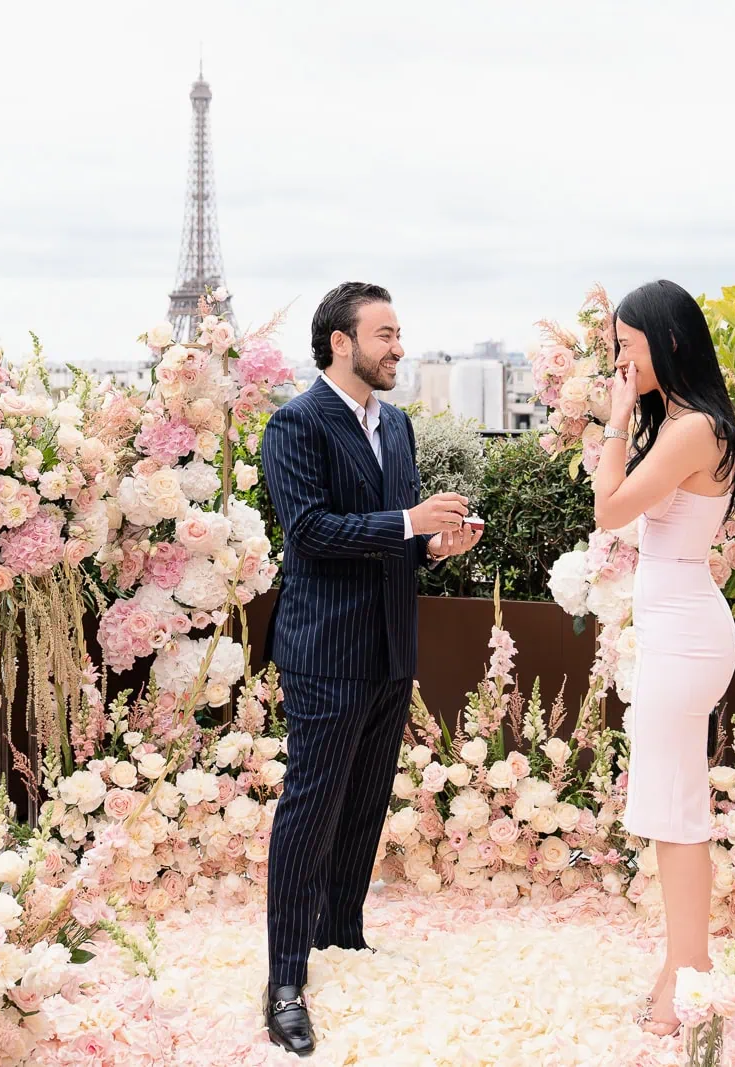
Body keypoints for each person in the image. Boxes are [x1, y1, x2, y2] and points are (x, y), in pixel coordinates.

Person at [258, 281, 482, 1056]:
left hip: (391, 646)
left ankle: (341, 937)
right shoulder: (295, 423)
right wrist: (407, 522)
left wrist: (434, 541)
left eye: (399, 333)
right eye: (385, 334)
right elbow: (312, 531)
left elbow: (397, 530)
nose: (398, 347)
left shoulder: (400, 423)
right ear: (340, 342)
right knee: (310, 810)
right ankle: (285, 981)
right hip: (325, 651)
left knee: (363, 803)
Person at [591, 279, 735, 1037]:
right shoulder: (688, 422)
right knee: (673, 810)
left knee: (677, 813)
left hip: (685, 633)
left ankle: (686, 980)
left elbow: (609, 509)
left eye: (629, 343)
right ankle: (681, 971)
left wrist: (618, 419)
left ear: (670, 340)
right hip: (677, 628)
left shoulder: (691, 429)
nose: (619, 358)